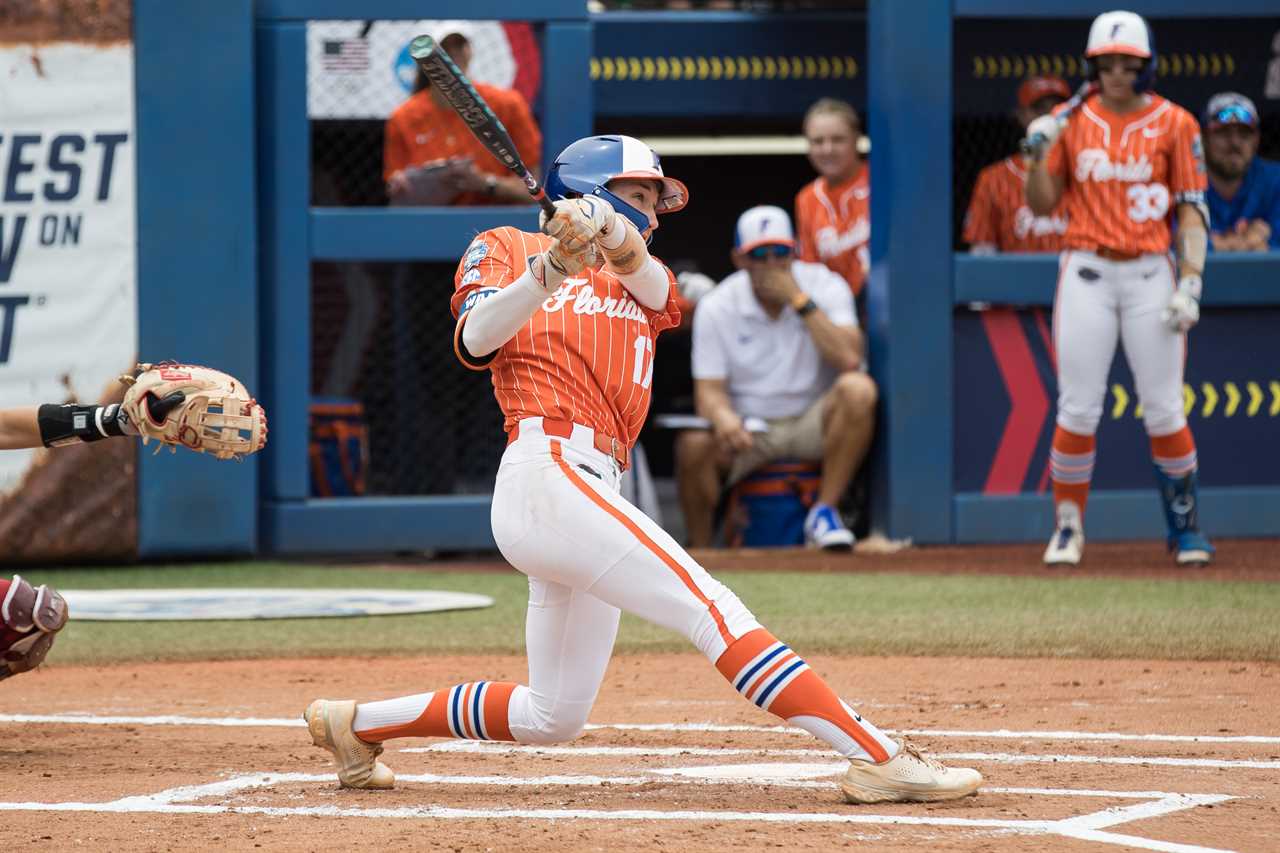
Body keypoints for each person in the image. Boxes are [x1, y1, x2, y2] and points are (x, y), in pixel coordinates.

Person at [303, 134, 981, 805]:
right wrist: (549, 270)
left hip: (594, 482)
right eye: (638, 197)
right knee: (709, 605)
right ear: (590, 190)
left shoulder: (645, 284)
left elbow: (642, 269)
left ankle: (355, 724)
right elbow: (475, 338)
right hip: (546, 471)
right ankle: (878, 756)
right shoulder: (506, 247)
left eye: (656, 202)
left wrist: (607, 229)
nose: (654, 216)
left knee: (553, 713)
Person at [1024, 10, 1215, 567]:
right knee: (1078, 408)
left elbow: (1191, 210)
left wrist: (1193, 282)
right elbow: (1041, 203)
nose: (1115, 75)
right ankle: (1067, 528)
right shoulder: (1069, 121)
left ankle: (1185, 530)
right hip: (1087, 268)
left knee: (1162, 408)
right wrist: (1037, 155)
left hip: (1152, 272)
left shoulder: (1176, 122)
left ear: (1145, 65)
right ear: (1093, 66)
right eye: (1105, 65)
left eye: (1127, 64)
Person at [674, 205, 874, 550]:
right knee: (693, 446)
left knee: (858, 391)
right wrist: (725, 419)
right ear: (739, 259)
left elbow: (849, 358)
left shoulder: (824, 284)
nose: (771, 264)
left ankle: (824, 513)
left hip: (814, 423)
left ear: (794, 252)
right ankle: (701, 551)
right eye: (759, 255)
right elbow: (709, 393)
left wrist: (799, 301)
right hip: (751, 432)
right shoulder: (719, 304)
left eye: (780, 253)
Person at [383, 25, 542, 206]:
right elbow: (396, 190)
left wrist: (485, 183)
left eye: (459, 45)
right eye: (443, 48)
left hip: (497, 223)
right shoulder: (403, 117)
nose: (452, 54)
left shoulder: (508, 105)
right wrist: (405, 185)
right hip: (431, 225)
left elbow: (534, 190)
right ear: (423, 59)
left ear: (469, 51)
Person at [964, 76, 1072, 254]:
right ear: (1021, 115)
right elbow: (982, 252)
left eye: (1058, 110)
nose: (1050, 118)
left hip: (1075, 277)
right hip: (1017, 279)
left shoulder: (1086, 170)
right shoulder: (993, 178)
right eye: (1040, 109)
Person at [795, 98, 869, 303]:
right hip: (836, 309)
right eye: (818, 141)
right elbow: (810, 270)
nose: (827, 149)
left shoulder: (881, 182)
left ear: (856, 139)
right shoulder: (807, 198)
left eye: (838, 139)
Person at [1200, 92, 1280, 252]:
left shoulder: (1275, 180)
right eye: (1223, 133)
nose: (1234, 143)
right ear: (1204, 138)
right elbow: (1172, 244)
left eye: (1244, 134)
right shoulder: (1184, 181)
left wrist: (1268, 243)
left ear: (1256, 140)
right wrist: (1243, 244)